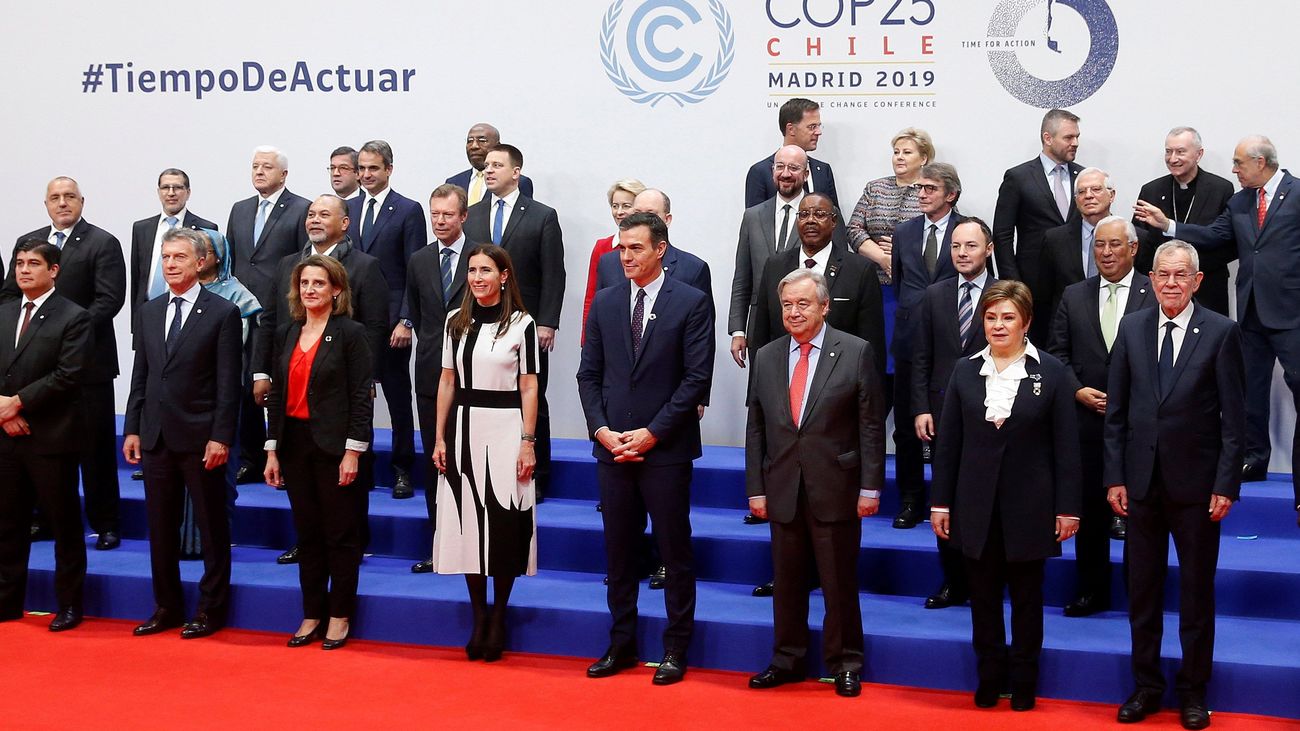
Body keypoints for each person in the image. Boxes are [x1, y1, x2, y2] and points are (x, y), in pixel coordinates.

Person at [1104, 241, 1245, 729]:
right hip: (1141, 486)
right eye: (1163, 274)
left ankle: (1193, 692)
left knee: (1196, 595)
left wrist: (1226, 483)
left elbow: (1234, 420)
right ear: (1151, 278)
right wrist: (1115, 476)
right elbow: (1116, 413)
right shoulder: (1132, 327)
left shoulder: (1222, 332)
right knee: (1141, 592)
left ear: (1197, 281)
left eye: (1180, 275)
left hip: (1198, 489)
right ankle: (1145, 686)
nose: (1170, 283)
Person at [930, 280, 1082, 712]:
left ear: (1026, 322)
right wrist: (940, 502)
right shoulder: (964, 370)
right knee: (982, 598)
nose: (998, 325)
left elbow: (1067, 447)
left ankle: (1024, 680)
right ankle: (990, 676)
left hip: (1031, 507)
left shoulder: (1052, 372)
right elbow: (949, 445)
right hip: (974, 505)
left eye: (1008, 317)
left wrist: (1068, 508)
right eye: (991, 317)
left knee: (1028, 600)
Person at [578, 212, 713, 685]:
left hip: (666, 450)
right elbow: (588, 374)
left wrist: (652, 433)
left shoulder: (691, 301)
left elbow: (695, 378)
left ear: (660, 249)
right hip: (613, 449)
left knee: (674, 552)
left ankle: (675, 647)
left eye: (636, 247)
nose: (626, 256)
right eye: (622, 248)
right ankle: (621, 644)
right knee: (619, 553)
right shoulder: (606, 301)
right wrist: (600, 430)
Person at [744, 269, 884, 698]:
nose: (793, 312)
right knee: (786, 582)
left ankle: (845, 663)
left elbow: (870, 426)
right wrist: (756, 488)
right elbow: (756, 427)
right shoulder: (766, 356)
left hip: (836, 485)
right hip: (783, 485)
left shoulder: (855, 351)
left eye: (803, 304)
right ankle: (786, 659)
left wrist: (870, 487)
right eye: (787, 304)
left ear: (824, 306)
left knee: (838, 582)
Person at [1134, 134, 1292, 494]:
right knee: (1250, 389)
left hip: (1290, 311)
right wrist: (1167, 226)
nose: (1234, 169)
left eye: (1239, 163)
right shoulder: (1240, 201)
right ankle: (1254, 457)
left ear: (1261, 162)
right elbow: (1213, 236)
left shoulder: (1296, 194)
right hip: (1251, 310)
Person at [253, 194, 388, 565]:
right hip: (293, 382)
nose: (313, 219)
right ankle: (309, 542)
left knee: (348, 477)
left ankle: (351, 543)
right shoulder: (287, 264)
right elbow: (270, 320)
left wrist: (366, 379)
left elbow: (376, 326)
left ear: (344, 223)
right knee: (304, 484)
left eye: (323, 214)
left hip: (342, 389)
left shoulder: (365, 266)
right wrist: (262, 371)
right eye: (310, 214)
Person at [123, 228, 242, 640]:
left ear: (200, 262)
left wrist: (221, 436)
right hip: (155, 435)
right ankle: (167, 606)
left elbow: (228, 384)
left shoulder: (223, 312)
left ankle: (211, 609)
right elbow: (142, 375)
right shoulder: (150, 311)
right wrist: (132, 427)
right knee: (160, 527)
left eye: (179, 257)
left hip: (201, 436)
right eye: (166, 257)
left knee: (211, 527)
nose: (171, 264)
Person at [3, 177, 126, 551]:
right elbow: (9, 297)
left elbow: (109, 300)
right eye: (55, 197)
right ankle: (44, 518)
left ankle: (105, 523)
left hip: (88, 365)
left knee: (96, 449)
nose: (62, 203)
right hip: (36, 369)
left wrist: (66, 332)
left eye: (69, 196)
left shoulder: (102, 242)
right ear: (45, 204)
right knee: (41, 447)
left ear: (82, 201)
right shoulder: (29, 242)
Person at [429, 244, 539, 661]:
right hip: (463, 428)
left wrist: (528, 442)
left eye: (486, 270)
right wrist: (439, 438)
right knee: (468, 525)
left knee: (505, 522)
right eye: (472, 270)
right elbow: (446, 381)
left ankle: (499, 614)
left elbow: (529, 386)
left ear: (504, 276)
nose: (477, 278)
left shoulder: (522, 324)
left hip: (507, 428)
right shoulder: (454, 322)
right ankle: (479, 615)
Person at [264, 255, 374, 651]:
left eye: (319, 283)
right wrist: (272, 449)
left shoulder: (351, 334)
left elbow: (361, 396)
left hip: (335, 447)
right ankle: (312, 612)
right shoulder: (287, 332)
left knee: (340, 534)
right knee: (307, 534)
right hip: (294, 444)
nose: (310, 289)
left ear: (336, 290)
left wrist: (353, 451)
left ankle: (340, 614)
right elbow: (277, 394)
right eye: (305, 283)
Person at [1047, 216, 1155, 617]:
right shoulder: (1074, 294)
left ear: (1133, 249)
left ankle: (1139, 595)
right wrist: (1077, 390)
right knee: (1091, 513)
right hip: (1087, 423)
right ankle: (1091, 590)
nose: (1106, 253)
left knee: (1141, 516)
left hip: (1140, 425)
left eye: (1114, 245)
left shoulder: (1154, 292)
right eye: (1099, 245)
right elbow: (1056, 353)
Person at [0, 240, 91, 631]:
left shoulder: (74, 316)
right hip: (6, 434)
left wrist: (17, 403)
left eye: (33, 263)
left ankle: (69, 604)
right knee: (7, 522)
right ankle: (6, 600)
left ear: (53, 270)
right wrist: (4, 414)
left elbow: (69, 375)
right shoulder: (4, 312)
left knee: (63, 523)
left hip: (52, 437)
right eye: (19, 263)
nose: (24, 270)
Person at [465, 144, 564, 501]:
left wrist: (547, 322)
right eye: (486, 166)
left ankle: (538, 473)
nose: (489, 171)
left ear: (516, 172)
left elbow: (554, 273)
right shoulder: (473, 214)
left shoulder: (541, 215)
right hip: (480, 322)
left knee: (532, 397)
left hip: (528, 321)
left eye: (496, 165)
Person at [911, 217, 998, 610]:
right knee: (944, 496)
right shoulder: (935, 295)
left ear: (989, 250)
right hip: (942, 410)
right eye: (956, 246)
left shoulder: (1005, 294)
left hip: (992, 414)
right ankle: (952, 581)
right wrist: (921, 407)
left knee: (984, 500)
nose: (962, 253)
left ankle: (985, 580)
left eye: (971, 246)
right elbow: (921, 357)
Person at [226, 146, 311, 486]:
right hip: (241, 315)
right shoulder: (240, 209)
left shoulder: (301, 209)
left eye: (267, 167)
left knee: (282, 389)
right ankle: (250, 458)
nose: (259, 172)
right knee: (244, 387)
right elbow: (232, 261)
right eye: (255, 166)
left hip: (281, 314)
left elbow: (304, 263)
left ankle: (286, 461)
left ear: (284, 174)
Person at [345, 140, 424, 499]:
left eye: (373, 168)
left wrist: (406, 320)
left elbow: (413, 270)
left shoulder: (408, 210)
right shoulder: (348, 208)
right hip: (351, 321)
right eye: (361, 168)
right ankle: (359, 465)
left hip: (392, 323)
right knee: (353, 398)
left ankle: (402, 468)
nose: (366, 175)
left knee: (397, 399)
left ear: (389, 169)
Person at [889, 162, 964, 531]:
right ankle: (911, 499)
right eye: (919, 188)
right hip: (909, 341)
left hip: (953, 343)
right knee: (907, 427)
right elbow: (900, 283)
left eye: (930, 188)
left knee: (955, 427)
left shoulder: (967, 230)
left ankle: (951, 500)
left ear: (951, 194)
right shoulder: (904, 232)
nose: (921, 194)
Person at [731, 145, 849, 372]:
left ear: (806, 174)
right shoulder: (752, 216)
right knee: (765, 388)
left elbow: (840, 269)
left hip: (812, 326)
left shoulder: (825, 214)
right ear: (772, 171)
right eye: (780, 167)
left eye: (793, 168)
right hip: (762, 327)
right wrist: (738, 330)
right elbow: (742, 277)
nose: (785, 173)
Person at [408, 184, 474, 575]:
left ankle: (473, 544)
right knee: (437, 460)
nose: (440, 221)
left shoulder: (481, 257)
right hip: (431, 371)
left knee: (469, 462)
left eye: (448, 214)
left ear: (463, 216)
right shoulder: (419, 260)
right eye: (435, 214)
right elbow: (419, 316)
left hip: (475, 377)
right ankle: (440, 544)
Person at [993, 108, 1084, 342]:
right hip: (1032, 286)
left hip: (1076, 282)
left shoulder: (1084, 178)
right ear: (1047, 138)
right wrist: (1013, 285)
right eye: (1068, 137)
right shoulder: (1018, 177)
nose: (1075, 143)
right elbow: (1002, 235)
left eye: (1077, 137)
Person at [1132, 127, 1235, 317]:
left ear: (1199, 154)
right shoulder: (1151, 191)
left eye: (1180, 152)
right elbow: (1139, 243)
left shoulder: (1221, 189)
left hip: (1207, 289)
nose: (1172, 159)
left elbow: (1227, 244)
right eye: (1168, 151)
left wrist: (1188, 271)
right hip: (1162, 292)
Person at [130, 168, 219, 318]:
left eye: (177, 187)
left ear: (188, 192)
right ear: (158, 192)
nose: (171, 193)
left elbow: (208, 277)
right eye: (165, 187)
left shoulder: (205, 228)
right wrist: (136, 317)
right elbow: (137, 278)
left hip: (187, 310)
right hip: (147, 311)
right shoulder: (142, 228)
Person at [1039, 167, 1117, 320]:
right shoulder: (1055, 239)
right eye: (1081, 192)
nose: (1088, 196)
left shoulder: (1132, 237)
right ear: (1075, 200)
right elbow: (1045, 295)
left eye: (1096, 189)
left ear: (1112, 195)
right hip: (1069, 325)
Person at [744, 98, 838, 210]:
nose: (819, 132)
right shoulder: (760, 172)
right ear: (791, 129)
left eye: (818, 126)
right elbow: (755, 218)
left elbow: (834, 216)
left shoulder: (823, 170)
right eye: (812, 127)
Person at [582, 178, 646, 340]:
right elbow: (591, 296)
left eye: (626, 206)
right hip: (610, 331)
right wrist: (587, 340)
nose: (619, 212)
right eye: (615, 206)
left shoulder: (651, 247)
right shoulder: (602, 246)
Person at [447, 123, 534, 205]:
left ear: (497, 146)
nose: (474, 146)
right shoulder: (453, 183)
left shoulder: (518, 182)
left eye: (482, 141)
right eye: (469, 141)